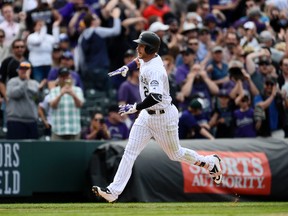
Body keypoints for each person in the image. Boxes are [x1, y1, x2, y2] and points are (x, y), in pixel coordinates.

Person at [92, 31, 222, 203]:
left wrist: (134, 107)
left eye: (141, 45)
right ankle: (113, 192)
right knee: (129, 152)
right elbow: (138, 60)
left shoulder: (156, 69)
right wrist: (128, 67)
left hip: (163, 116)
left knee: (175, 154)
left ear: (150, 48)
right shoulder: (149, 58)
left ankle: (209, 163)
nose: (138, 47)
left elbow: (155, 97)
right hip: (146, 116)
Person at [49, 67, 84, 140]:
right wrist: (61, 94)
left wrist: (73, 94)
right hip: (58, 130)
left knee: (75, 151)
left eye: (66, 76)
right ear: (59, 78)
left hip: (74, 130)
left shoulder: (77, 90)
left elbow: (80, 105)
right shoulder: (54, 91)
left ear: (70, 76)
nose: (65, 78)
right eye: (62, 76)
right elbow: (52, 105)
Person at [6, 61, 39, 139]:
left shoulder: (35, 83)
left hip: (31, 121)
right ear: (18, 70)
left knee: (32, 148)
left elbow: (37, 99)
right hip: (16, 120)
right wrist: (26, 82)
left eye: (26, 69)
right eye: (22, 69)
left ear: (30, 71)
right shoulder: (12, 81)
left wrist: (39, 91)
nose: (24, 71)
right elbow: (14, 94)